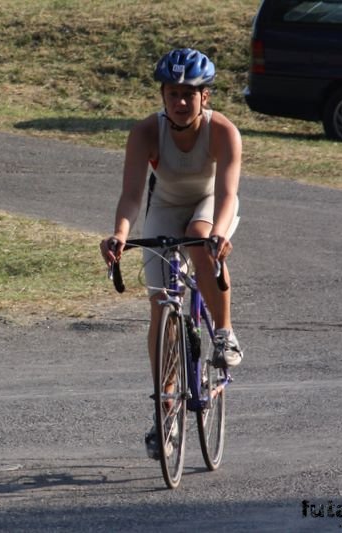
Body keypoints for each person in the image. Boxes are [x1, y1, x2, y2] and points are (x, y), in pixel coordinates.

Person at [99, 48, 243, 458]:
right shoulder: (145, 132)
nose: (180, 102)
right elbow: (130, 196)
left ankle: (224, 333)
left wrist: (219, 235)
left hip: (210, 204)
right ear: (162, 96)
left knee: (200, 242)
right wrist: (119, 234)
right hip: (164, 206)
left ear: (205, 97)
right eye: (172, 94)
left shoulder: (223, 131)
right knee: (161, 305)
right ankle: (165, 410)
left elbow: (229, 192)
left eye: (189, 94)